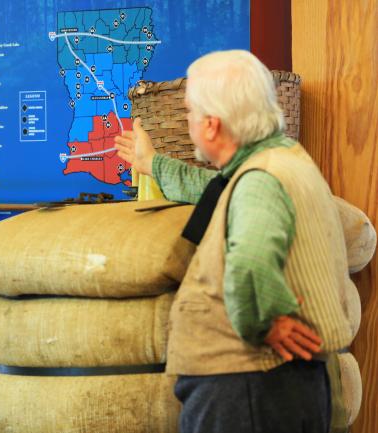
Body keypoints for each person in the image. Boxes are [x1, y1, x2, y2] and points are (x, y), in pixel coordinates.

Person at [114, 50, 354, 433]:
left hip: (249, 390)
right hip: (266, 387)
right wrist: (153, 164)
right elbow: (219, 190)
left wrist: (263, 323)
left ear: (210, 125)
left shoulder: (262, 179)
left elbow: (250, 265)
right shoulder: (278, 160)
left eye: (190, 112)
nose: (188, 121)